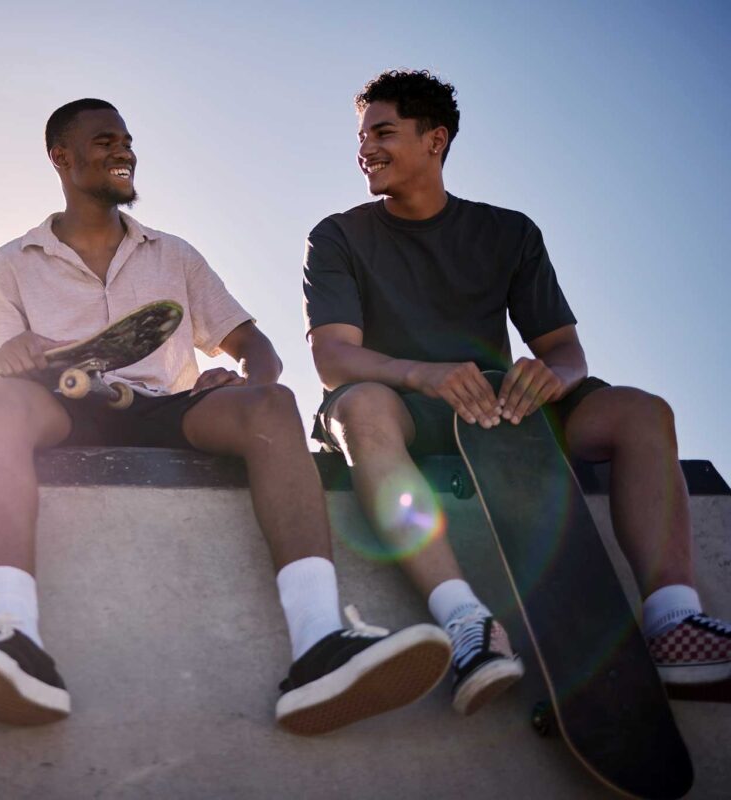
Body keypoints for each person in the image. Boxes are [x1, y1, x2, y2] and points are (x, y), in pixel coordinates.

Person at [0, 98, 452, 734]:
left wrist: (243, 375)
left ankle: (320, 643)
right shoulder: (9, 263)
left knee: (272, 403)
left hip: (167, 407)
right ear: (60, 157)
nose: (124, 151)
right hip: (58, 406)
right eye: (104, 140)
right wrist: (8, 356)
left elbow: (260, 351)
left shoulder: (173, 255)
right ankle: (14, 637)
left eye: (128, 140)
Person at [304, 69, 731, 715]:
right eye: (362, 137)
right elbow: (333, 357)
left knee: (643, 412)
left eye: (383, 132)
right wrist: (422, 373)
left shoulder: (511, 232)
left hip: (497, 410)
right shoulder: (337, 234)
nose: (366, 148)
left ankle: (674, 620)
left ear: (435, 139)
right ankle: (465, 622)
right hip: (400, 405)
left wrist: (549, 376)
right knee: (360, 405)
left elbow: (566, 352)